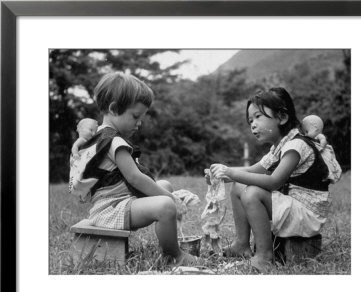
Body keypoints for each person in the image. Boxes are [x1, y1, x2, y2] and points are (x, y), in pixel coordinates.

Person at [69, 71, 197, 266]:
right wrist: (173, 200)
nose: (139, 123)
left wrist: (168, 193)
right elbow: (135, 178)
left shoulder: (100, 136)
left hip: (120, 202)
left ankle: (169, 240)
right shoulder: (114, 142)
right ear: (113, 109)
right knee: (165, 205)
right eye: (135, 116)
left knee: (165, 185)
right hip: (110, 210)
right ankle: (174, 255)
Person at [207, 88, 341, 273]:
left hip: (307, 214)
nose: (253, 124)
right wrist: (223, 175)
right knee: (239, 186)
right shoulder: (279, 147)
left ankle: (264, 257)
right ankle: (241, 245)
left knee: (253, 193)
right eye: (250, 120)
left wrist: (231, 172)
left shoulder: (296, 146)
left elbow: (273, 182)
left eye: (258, 117)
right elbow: (251, 171)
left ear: (282, 117)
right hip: (293, 205)